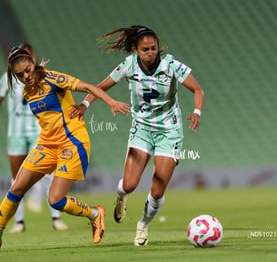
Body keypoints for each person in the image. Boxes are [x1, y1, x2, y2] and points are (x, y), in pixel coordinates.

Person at [0, 46, 130, 254]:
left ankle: (94, 214)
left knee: (55, 200)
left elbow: (88, 86)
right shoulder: (28, 92)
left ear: (33, 62)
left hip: (72, 142)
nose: (26, 76)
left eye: (28, 69)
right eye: (20, 75)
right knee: (15, 189)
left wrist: (109, 102)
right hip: (46, 145)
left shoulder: (53, 78)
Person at [74, 25, 204, 246]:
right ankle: (121, 197)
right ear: (135, 50)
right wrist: (85, 104)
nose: (151, 52)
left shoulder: (170, 64)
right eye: (146, 49)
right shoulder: (129, 65)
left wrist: (196, 112)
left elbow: (198, 90)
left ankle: (143, 225)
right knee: (130, 184)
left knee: (158, 187)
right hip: (141, 130)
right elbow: (101, 86)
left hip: (169, 132)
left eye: (154, 48)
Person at [0, 43, 68, 233]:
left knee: (48, 173)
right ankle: (19, 222)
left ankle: (56, 218)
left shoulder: (44, 77)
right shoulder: (7, 81)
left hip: (38, 131)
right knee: (17, 179)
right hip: (15, 134)